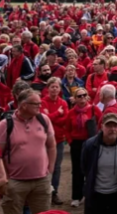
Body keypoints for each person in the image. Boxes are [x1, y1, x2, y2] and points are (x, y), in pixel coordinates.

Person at [0, 89, 57, 214]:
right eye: (36, 104)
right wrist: (5, 178)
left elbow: (52, 146)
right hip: (15, 181)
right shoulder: (5, 124)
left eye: (40, 103)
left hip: (41, 180)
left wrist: (51, 169)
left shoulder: (44, 120)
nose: (40, 106)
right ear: (23, 105)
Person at [80, 112, 117, 214]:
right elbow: (84, 167)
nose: (112, 129)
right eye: (108, 126)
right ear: (102, 127)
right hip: (95, 195)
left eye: (115, 125)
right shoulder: (90, 145)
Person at [40, 77, 67, 205]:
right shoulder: (43, 102)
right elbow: (44, 120)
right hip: (44, 140)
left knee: (56, 167)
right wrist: (57, 113)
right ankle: (43, 191)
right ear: (48, 88)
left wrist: (52, 116)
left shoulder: (63, 103)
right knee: (43, 166)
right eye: (52, 87)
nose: (55, 89)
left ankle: (54, 192)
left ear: (60, 89)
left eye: (57, 87)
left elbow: (65, 120)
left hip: (59, 139)